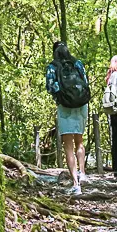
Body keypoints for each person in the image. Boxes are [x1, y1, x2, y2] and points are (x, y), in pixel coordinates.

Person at [45, 41, 90, 195]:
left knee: (68, 145)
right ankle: (82, 173)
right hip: (81, 105)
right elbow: (86, 82)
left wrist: (61, 95)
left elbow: (50, 87)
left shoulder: (52, 67)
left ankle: (76, 184)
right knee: (79, 141)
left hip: (64, 107)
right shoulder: (77, 64)